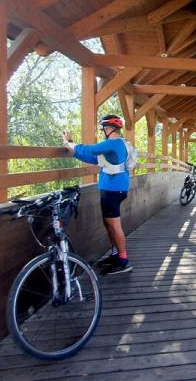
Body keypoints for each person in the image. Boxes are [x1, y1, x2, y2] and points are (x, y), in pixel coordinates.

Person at [62, 115, 132, 275]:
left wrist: (69, 142)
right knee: (109, 225)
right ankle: (115, 255)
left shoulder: (112, 143)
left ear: (109, 129)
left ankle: (123, 260)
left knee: (114, 226)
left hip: (113, 190)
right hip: (115, 188)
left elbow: (89, 149)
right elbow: (94, 158)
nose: (102, 132)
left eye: (103, 129)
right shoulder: (117, 144)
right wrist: (74, 152)